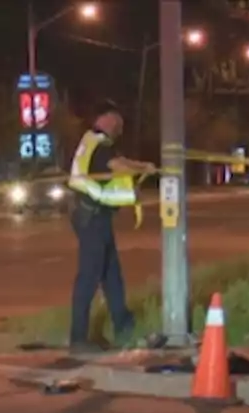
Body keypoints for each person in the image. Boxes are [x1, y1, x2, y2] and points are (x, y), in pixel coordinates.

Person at [65, 100, 156, 354]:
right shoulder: (98, 142)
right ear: (106, 119)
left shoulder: (94, 143)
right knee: (90, 276)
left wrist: (141, 166)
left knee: (111, 276)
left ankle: (124, 328)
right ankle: (78, 338)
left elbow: (118, 161)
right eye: (118, 122)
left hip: (95, 216)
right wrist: (142, 168)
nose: (120, 128)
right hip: (90, 217)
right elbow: (117, 165)